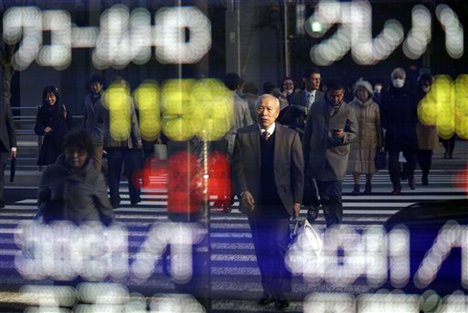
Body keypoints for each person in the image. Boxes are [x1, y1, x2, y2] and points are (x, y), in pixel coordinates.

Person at [232, 94, 303, 309]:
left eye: (269, 109)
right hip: (256, 202)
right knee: (262, 247)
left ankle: (280, 291)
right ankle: (268, 290)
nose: (264, 113)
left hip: (281, 202)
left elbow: (298, 171)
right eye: (260, 109)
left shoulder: (290, 136)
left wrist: (298, 200)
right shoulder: (244, 135)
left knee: (280, 247)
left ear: (277, 112)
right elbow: (237, 168)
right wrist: (243, 191)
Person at [302, 81, 358, 226]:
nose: (335, 99)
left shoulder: (348, 110)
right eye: (333, 96)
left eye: (339, 96)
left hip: (336, 159)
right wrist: (304, 155)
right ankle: (318, 223)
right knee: (320, 196)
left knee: (334, 197)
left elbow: (355, 134)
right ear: (327, 92)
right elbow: (308, 132)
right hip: (317, 157)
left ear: (343, 94)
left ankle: (335, 228)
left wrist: (344, 135)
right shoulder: (316, 107)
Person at [37, 129, 114, 225]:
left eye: (80, 153)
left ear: (87, 154)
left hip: (85, 234)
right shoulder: (50, 173)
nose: (75, 156)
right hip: (57, 233)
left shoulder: (95, 177)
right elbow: (42, 203)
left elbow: (105, 211)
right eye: (71, 151)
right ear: (64, 150)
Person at [95, 79, 143, 208]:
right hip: (127, 141)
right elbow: (133, 121)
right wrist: (138, 139)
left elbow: (98, 120)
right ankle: (134, 197)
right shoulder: (129, 100)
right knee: (132, 171)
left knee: (114, 173)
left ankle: (115, 199)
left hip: (111, 141)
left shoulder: (103, 101)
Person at [380, 68, 418, 194]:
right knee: (392, 164)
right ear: (391, 79)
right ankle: (396, 186)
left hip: (408, 132)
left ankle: (410, 175)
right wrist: (385, 126)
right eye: (395, 77)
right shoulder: (387, 94)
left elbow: (416, 112)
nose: (398, 80)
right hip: (393, 133)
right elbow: (383, 112)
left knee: (411, 160)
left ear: (404, 79)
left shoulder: (410, 94)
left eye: (400, 77)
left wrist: (413, 125)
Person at [347, 80, 383, 195]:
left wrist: (380, 141)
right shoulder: (350, 106)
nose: (361, 93)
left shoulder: (375, 107)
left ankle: (368, 185)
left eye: (364, 91)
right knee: (355, 165)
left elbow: (378, 125)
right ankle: (356, 186)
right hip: (355, 139)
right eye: (359, 91)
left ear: (369, 92)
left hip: (371, 139)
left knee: (369, 164)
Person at [34, 86, 73, 167]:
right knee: (52, 170)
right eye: (47, 96)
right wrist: (44, 129)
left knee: (63, 169)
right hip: (50, 146)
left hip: (63, 144)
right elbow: (37, 127)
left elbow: (71, 125)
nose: (49, 99)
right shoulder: (42, 110)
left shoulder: (63, 108)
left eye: (52, 96)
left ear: (56, 96)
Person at [416, 73, 438, 185]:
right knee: (420, 154)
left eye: (427, 84)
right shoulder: (416, 96)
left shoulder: (434, 97)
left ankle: (425, 174)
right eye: (423, 84)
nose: (424, 86)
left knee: (428, 154)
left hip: (430, 127)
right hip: (419, 128)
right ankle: (424, 172)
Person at [223, 73, 254, 155]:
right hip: (236, 138)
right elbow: (249, 125)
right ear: (238, 86)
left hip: (220, 139)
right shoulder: (243, 103)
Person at [289, 68, 324, 135]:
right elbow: (290, 117)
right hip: (300, 133)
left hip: (317, 134)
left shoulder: (323, 97)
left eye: (319, 79)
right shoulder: (295, 97)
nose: (318, 82)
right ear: (305, 80)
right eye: (314, 79)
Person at [81, 75, 105, 171]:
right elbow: (85, 116)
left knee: (97, 159)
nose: (94, 87)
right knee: (88, 160)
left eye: (96, 85)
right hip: (88, 132)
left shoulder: (105, 98)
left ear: (101, 86)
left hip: (100, 133)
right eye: (92, 85)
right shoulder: (87, 98)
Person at [0, 101, 17, 209]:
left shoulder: (4, 105)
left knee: (0, 173)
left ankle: (0, 200)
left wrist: (13, 146)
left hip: (2, 145)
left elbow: (11, 126)